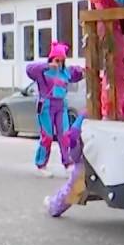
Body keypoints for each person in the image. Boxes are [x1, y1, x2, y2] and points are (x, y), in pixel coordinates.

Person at [28, 43, 84, 176]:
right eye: (56, 60)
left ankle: (67, 162)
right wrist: (47, 66)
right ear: (51, 59)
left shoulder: (65, 72)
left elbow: (77, 73)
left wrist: (85, 70)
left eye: (61, 60)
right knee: (47, 136)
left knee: (65, 135)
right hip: (46, 107)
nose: (58, 63)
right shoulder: (43, 71)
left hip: (61, 106)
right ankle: (41, 164)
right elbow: (29, 69)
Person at [44, 113, 87, 218]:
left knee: (75, 182)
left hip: (89, 164)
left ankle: (54, 206)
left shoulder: (87, 115)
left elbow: (74, 136)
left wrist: (74, 156)